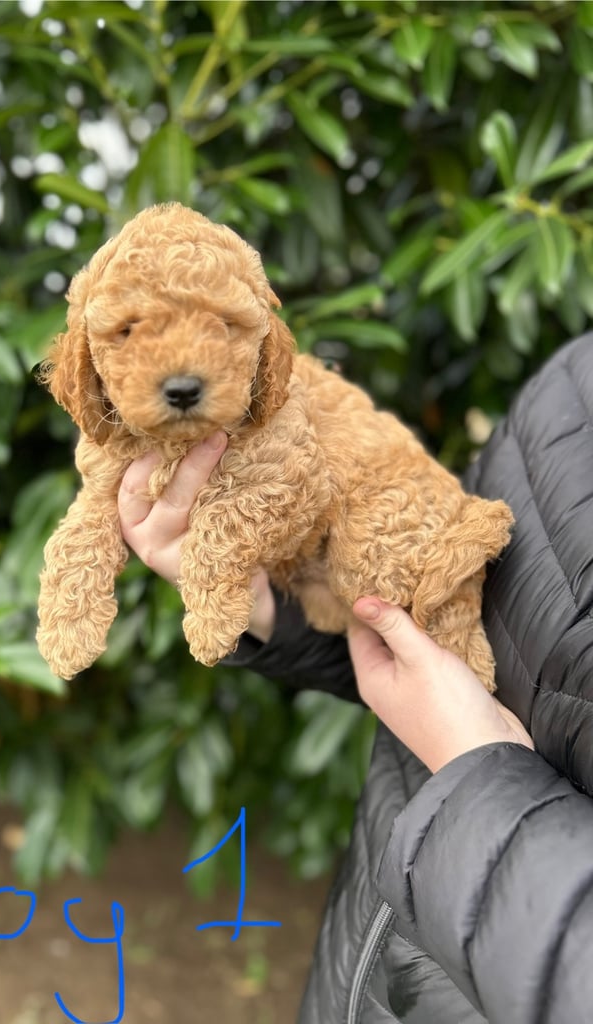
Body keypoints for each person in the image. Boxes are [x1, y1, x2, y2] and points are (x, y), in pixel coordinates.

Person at [117, 335, 593, 1023]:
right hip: (361, 976)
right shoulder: (576, 376)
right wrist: (278, 603)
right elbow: (455, 628)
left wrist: (477, 776)